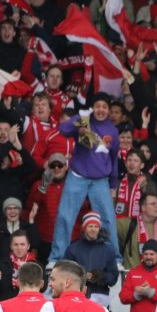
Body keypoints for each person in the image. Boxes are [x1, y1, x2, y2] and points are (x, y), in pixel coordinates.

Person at [49, 94, 121, 263]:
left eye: (104, 106)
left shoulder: (113, 131)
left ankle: (114, 259)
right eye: (97, 106)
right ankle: (57, 257)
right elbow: (64, 129)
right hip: (77, 176)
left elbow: (113, 159)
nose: (101, 110)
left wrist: (113, 185)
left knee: (108, 220)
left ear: (109, 110)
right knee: (65, 216)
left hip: (100, 181)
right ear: (92, 108)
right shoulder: (84, 121)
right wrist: (81, 117)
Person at [62, 212, 118, 307]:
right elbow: (64, 273)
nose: (93, 229)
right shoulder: (73, 248)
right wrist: (82, 276)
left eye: (96, 226)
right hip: (77, 297)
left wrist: (101, 276)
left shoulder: (108, 249)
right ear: (84, 228)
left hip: (100, 299)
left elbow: (113, 277)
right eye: (90, 226)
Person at [119, 240, 157, 312]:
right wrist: (135, 295)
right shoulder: (134, 272)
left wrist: (151, 293)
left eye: (152, 254)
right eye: (146, 254)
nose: (148, 257)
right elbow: (123, 297)